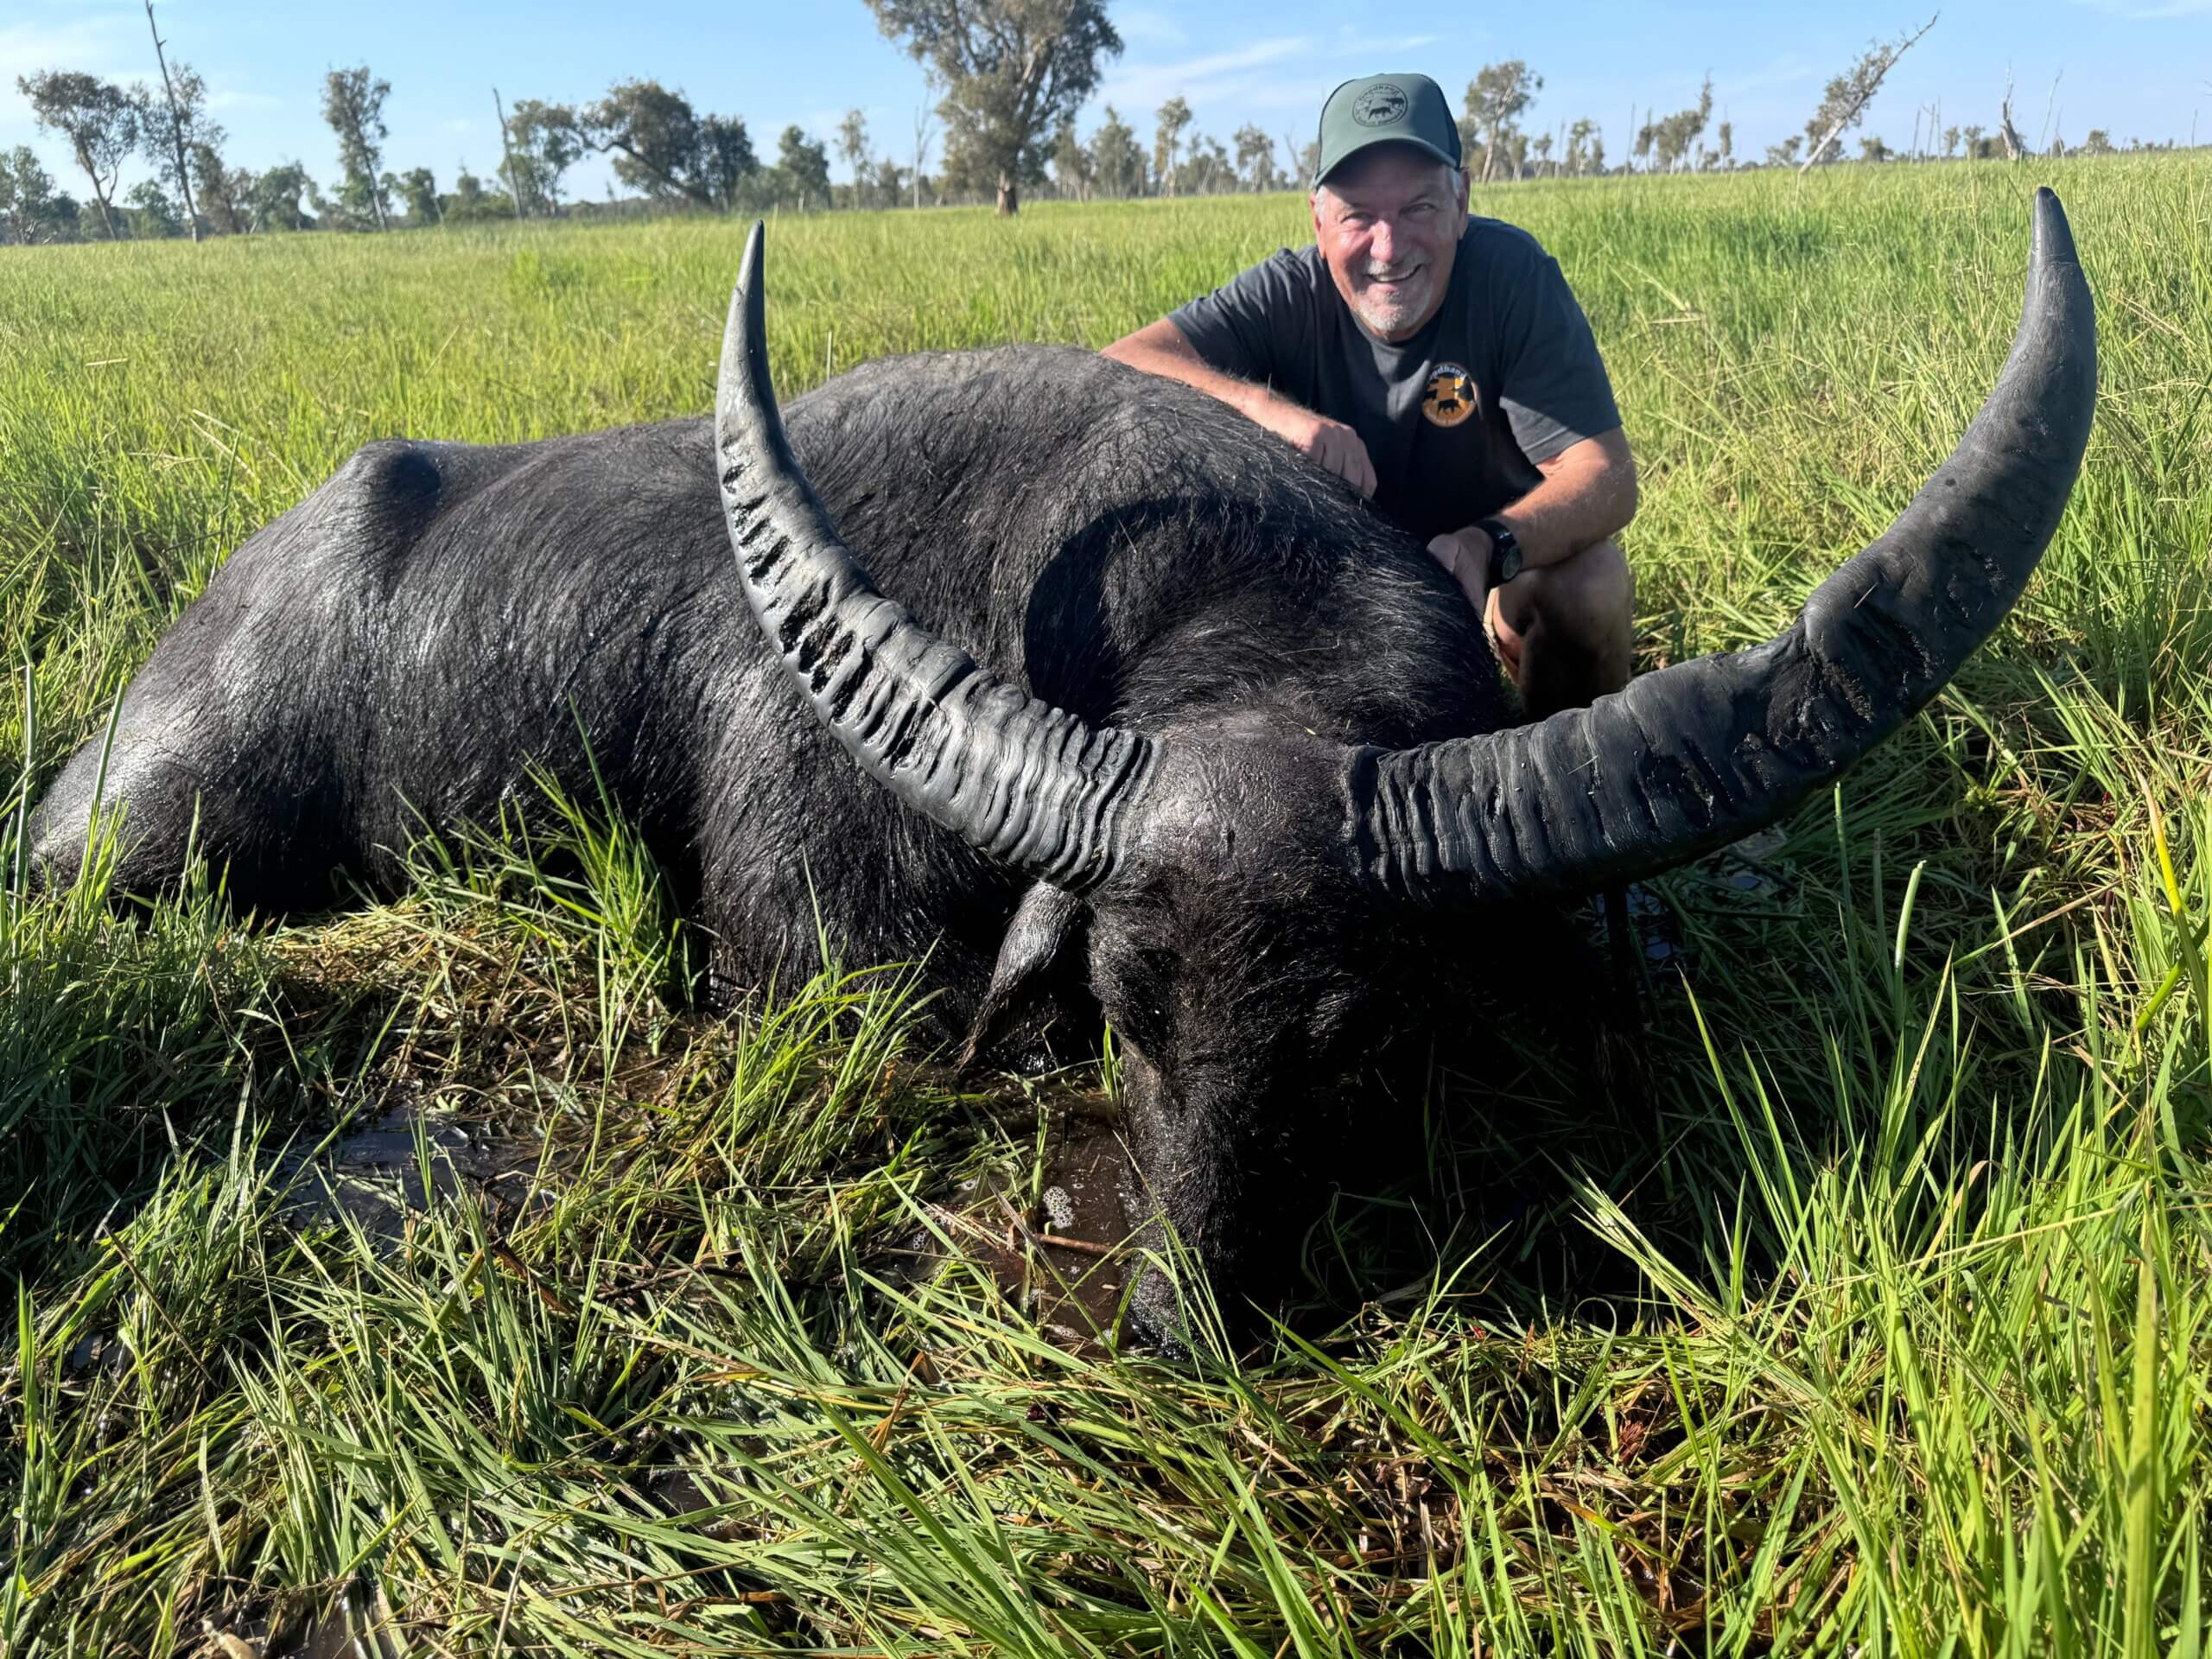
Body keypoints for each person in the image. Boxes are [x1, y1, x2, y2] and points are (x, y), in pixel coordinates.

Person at [1101, 73, 1637, 720]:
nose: (1388, 248)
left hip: (1484, 582)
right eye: (1357, 215)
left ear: (1462, 202)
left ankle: (1564, 765)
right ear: (1318, 220)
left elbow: (1606, 475)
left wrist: (1488, 546)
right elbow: (1120, 365)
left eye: (1419, 208)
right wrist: (1269, 414)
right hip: (1338, 604)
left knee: (1592, 587)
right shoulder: (1287, 294)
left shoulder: (1512, 278)